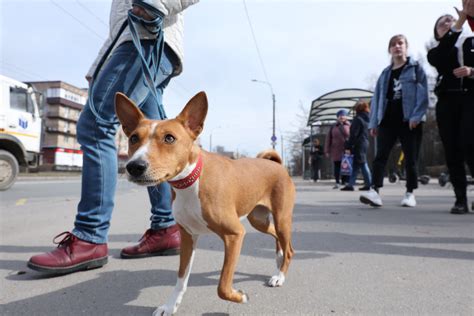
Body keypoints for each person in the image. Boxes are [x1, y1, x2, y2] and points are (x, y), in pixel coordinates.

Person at [28, 0, 199, 274]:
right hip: (139, 39)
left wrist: (157, 3)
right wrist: (100, 67)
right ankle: (166, 227)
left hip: (146, 37)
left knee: (95, 126)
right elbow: (120, 20)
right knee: (151, 137)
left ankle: (90, 237)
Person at [360, 34, 429, 208]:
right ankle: (374, 191)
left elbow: (423, 94)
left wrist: (416, 116)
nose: (397, 47)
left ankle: (409, 193)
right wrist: (374, 122)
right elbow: (377, 99)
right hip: (387, 119)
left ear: (406, 47)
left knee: (411, 158)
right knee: (380, 156)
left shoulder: (415, 68)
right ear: (389, 49)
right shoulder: (385, 73)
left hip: (408, 120)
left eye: (401, 43)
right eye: (393, 44)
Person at [427, 0, 474, 214]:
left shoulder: (471, 41)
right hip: (447, 102)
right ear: (437, 34)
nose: (446, 21)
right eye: (441, 24)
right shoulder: (437, 52)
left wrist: (472, 71)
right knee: (452, 151)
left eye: (450, 19)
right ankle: (460, 199)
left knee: (469, 143)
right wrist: (457, 25)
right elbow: (442, 55)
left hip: (470, 99)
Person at [340, 101, 372, 191]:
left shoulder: (358, 119)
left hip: (358, 144)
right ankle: (351, 184)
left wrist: (348, 145)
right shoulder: (367, 118)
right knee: (356, 164)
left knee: (362, 163)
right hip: (364, 142)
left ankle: (369, 184)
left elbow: (353, 134)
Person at [324, 109, 351, 189]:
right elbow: (328, 139)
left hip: (346, 149)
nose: (341, 117)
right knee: (337, 167)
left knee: (346, 166)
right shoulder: (333, 127)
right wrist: (327, 150)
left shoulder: (350, 125)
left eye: (343, 115)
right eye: (340, 116)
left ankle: (346, 182)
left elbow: (352, 137)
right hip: (335, 150)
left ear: (346, 117)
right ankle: (337, 182)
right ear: (337, 118)